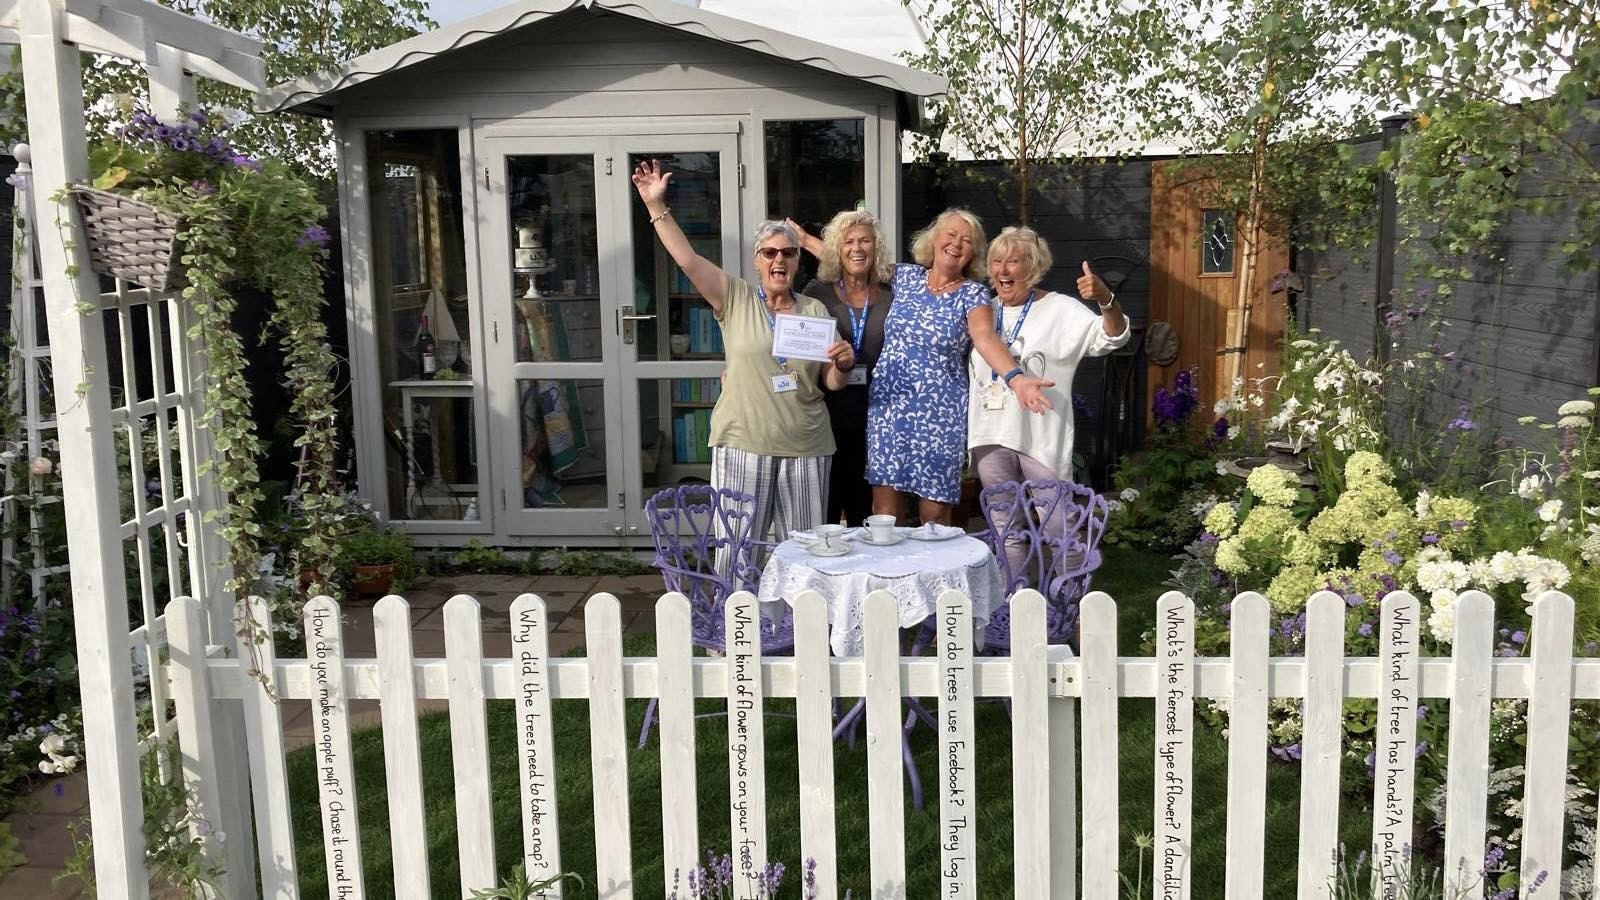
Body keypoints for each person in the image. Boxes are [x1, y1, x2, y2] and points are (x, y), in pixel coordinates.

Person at [632, 159, 856, 546]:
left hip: (805, 447)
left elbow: (829, 383)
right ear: (757, 261)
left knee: (803, 560)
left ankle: (788, 612)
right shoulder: (734, 297)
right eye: (768, 253)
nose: (778, 260)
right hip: (742, 445)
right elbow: (687, 259)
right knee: (737, 555)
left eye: (787, 253)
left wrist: (842, 365)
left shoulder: (814, 311)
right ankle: (735, 611)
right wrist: (656, 207)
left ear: (798, 262)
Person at [800, 209, 1053, 525]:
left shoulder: (972, 294)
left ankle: (932, 576)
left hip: (940, 417)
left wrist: (1016, 378)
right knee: (884, 515)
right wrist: (804, 240)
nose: (957, 244)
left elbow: (985, 338)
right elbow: (854, 255)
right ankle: (891, 576)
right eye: (950, 235)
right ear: (933, 239)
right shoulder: (905, 278)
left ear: (973, 252)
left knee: (933, 519)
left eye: (967, 240)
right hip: (888, 411)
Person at [967, 226, 1129, 573]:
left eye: (1014, 262)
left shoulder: (1060, 309)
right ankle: (1015, 600)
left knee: (1058, 525)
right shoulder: (982, 311)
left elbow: (1113, 337)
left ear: (1035, 267)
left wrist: (1105, 299)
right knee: (1004, 526)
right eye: (997, 261)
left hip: (1042, 438)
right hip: (990, 434)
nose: (1003, 270)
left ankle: (1069, 601)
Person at [798, 209, 894, 526]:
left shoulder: (894, 294)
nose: (857, 248)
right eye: (848, 241)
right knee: (825, 511)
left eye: (865, 240)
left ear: (876, 247)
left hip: (879, 419)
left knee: (865, 515)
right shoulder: (817, 292)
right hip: (829, 416)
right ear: (836, 249)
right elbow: (788, 335)